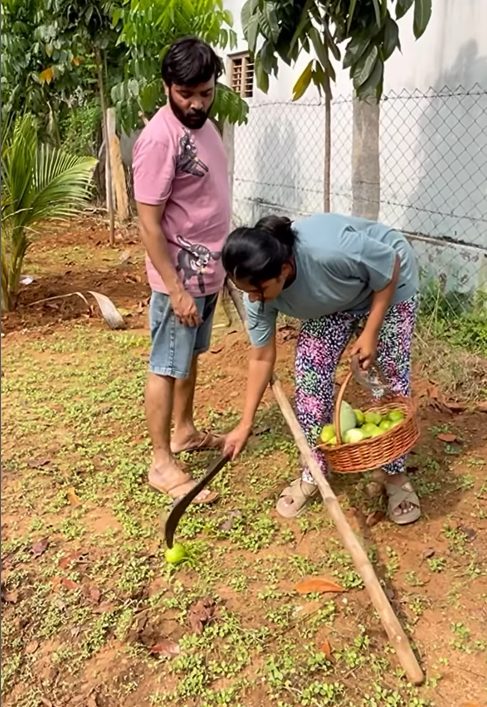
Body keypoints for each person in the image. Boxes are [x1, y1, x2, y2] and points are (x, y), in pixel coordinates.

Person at [222, 212, 421, 525]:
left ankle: (394, 475)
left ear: (285, 270)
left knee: (389, 380)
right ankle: (314, 470)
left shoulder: (329, 249)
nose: (253, 299)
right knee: (310, 378)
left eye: (259, 290)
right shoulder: (258, 295)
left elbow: (389, 263)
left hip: (389, 284)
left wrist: (370, 331)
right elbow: (261, 357)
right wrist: (246, 422)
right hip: (336, 301)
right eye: (246, 290)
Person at [133, 37, 230, 504]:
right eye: (185, 94)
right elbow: (150, 225)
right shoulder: (158, 139)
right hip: (179, 279)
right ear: (167, 86)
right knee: (166, 367)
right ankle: (161, 462)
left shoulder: (209, 127)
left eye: (205, 93)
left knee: (189, 359)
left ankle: (184, 432)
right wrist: (175, 290)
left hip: (210, 271)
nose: (195, 104)